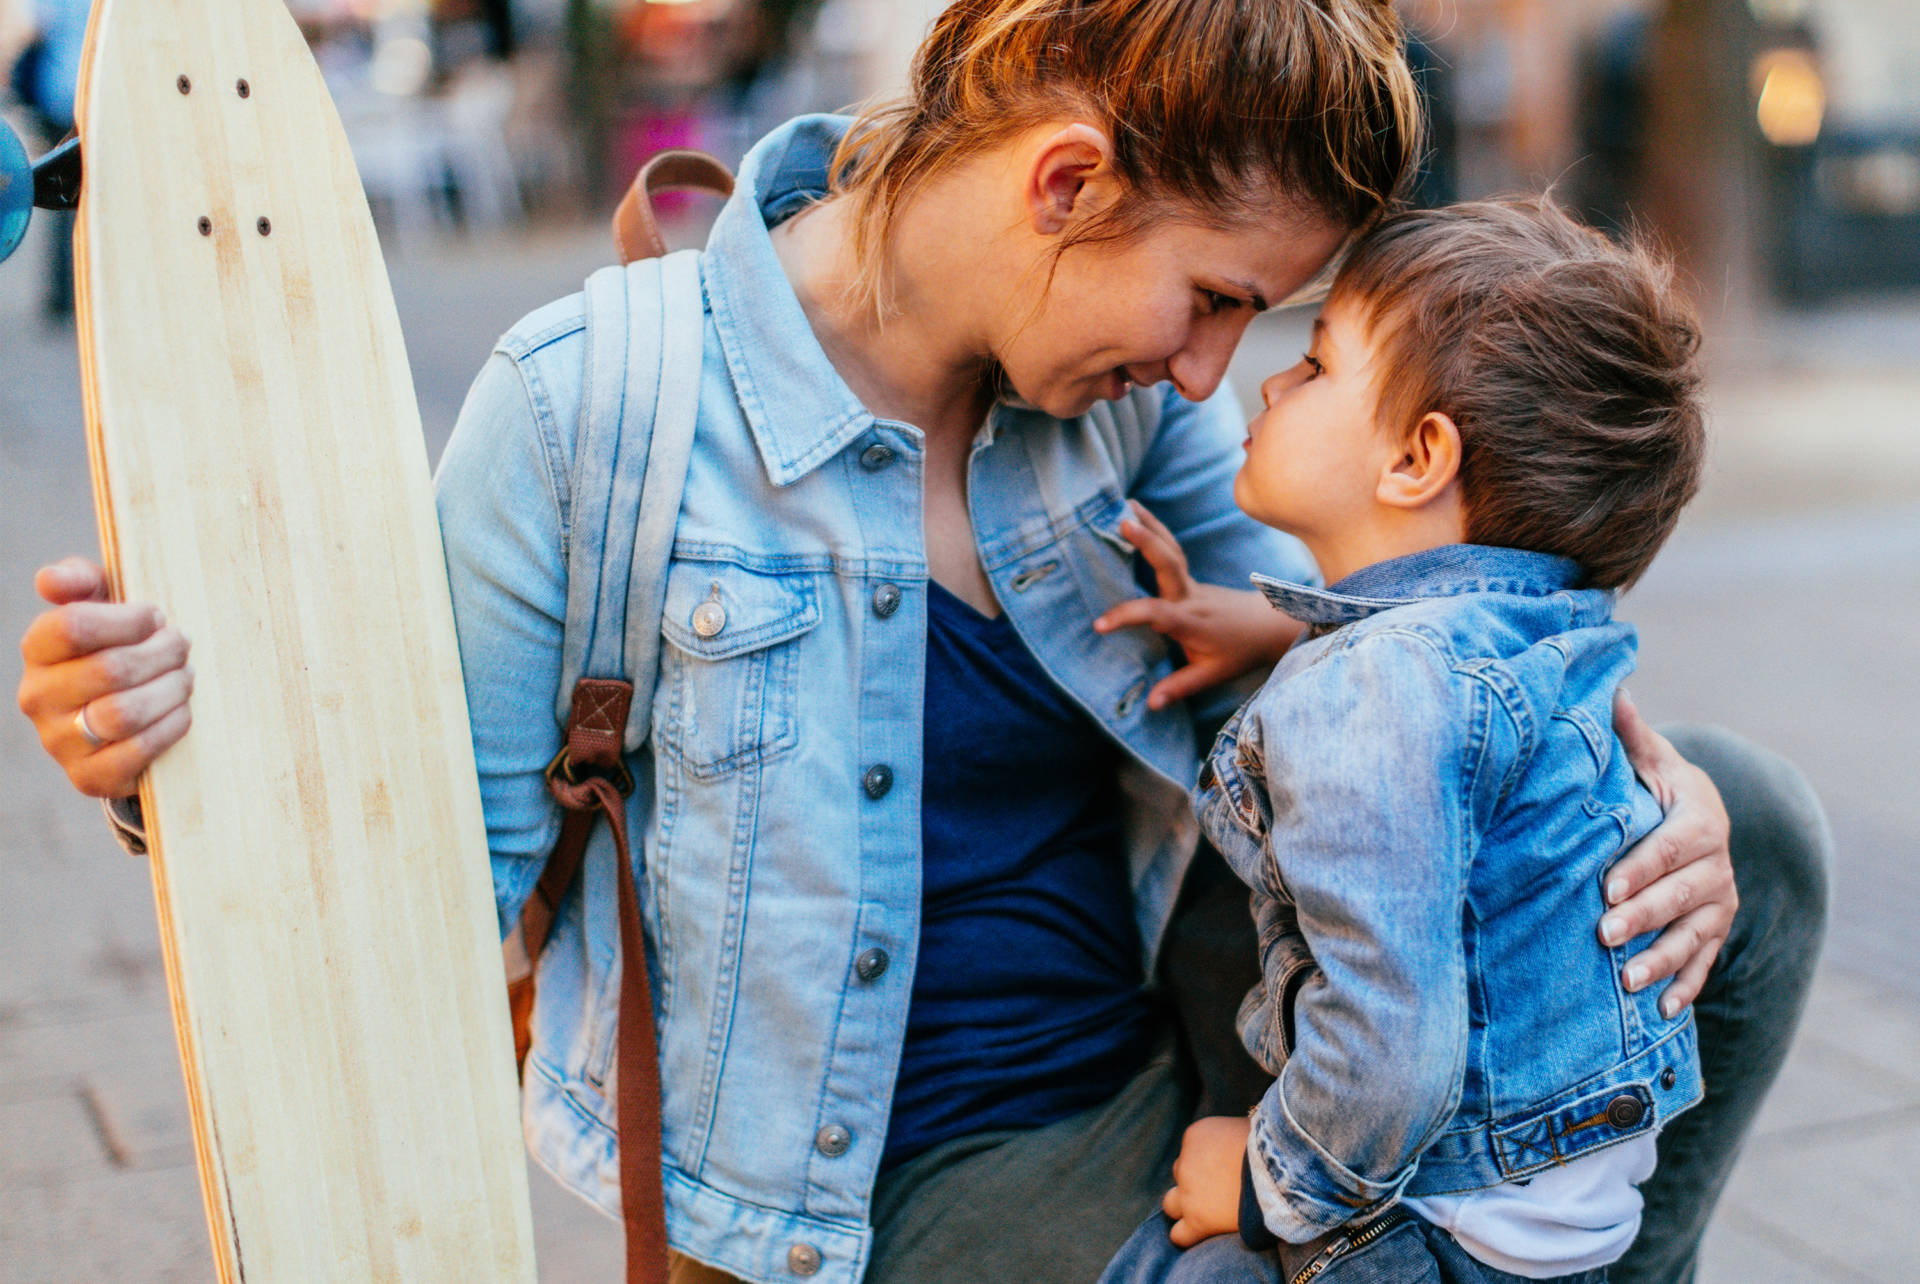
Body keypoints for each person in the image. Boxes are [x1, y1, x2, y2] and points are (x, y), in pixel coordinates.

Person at [12, 3, 1823, 1282]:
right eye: (1210, 302)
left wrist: (1644, 786)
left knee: (1765, 822)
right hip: (891, 1167)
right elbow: (423, 892)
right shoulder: (596, 408)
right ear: (1064, 184)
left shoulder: (1105, 400)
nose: (1210, 375)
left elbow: (1418, 621)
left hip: (1220, 1024)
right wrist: (171, 769)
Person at [1095, 195, 1713, 1284]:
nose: (1274, 381)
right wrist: (1266, 628)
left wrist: (1268, 1182)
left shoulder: (1368, 689)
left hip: (1436, 1228)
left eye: (1319, 366)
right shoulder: (1539, 627)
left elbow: (1392, 1033)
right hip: (1567, 1204)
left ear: (1419, 458)